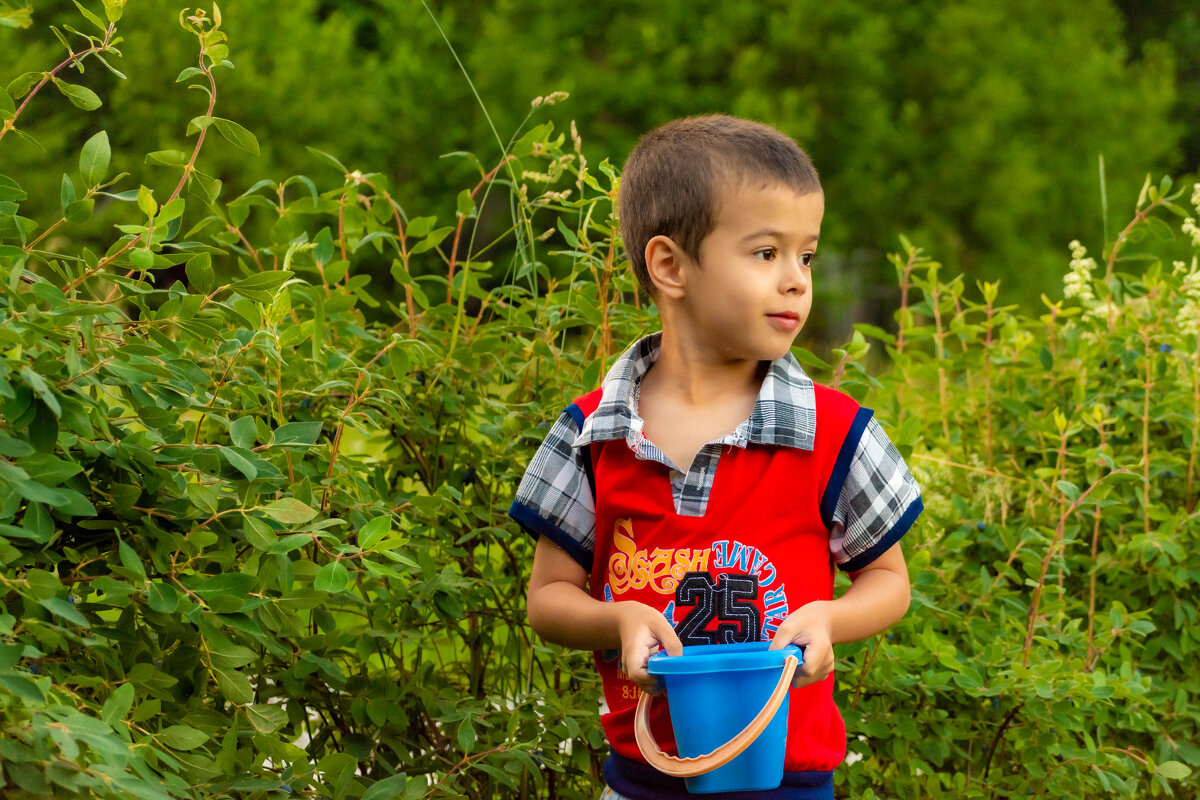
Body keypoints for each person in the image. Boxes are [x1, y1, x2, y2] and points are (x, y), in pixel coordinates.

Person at [510, 114, 923, 800]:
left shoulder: (833, 431)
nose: (796, 280)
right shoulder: (594, 433)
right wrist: (617, 621)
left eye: (807, 256)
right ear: (671, 266)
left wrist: (829, 617)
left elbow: (890, 581)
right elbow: (548, 599)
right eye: (766, 253)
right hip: (643, 778)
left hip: (786, 781)